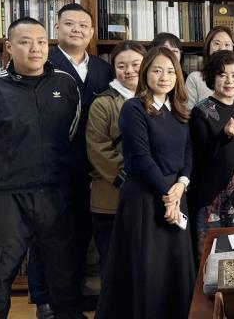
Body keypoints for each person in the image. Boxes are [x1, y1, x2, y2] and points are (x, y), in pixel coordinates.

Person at [0, 17, 82, 319]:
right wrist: (12, 164)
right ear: (9, 47)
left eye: (41, 42)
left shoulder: (65, 84)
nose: (35, 49)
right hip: (9, 196)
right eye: (25, 42)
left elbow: (71, 132)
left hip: (55, 193)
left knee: (63, 269)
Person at [96, 47, 194, 319]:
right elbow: (140, 158)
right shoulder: (134, 108)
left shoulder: (179, 110)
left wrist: (181, 185)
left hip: (176, 194)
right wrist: (168, 196)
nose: (164, 77)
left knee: (175, 266)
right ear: (145, 73)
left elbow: (188, 152)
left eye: (171, 71)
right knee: (148, 268)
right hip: (145, 198)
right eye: (157, 70)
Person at [34, 3, 113, 316]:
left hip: (93, 168)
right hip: (52, 168)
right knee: (48, 235)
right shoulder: (43, 64)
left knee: (82, 234)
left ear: (92, 32)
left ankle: (75, 295)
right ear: (56, 29)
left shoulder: (103, 69)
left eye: (83, 25)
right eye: (69, 23)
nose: (76, 29)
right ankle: (45, 299)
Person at [86, 41, 146, 272]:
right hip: (112, 200)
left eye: (135, 64)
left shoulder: (158, 100)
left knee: (144, 263)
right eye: (121, 66)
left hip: (149, 199)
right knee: (114, 266)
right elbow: (98, 149)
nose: (129, 71)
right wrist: (133, 179)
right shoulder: (103, 103)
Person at [189, 50, 234, 258]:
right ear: (212, 77)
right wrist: (225, 136)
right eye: (222, 75)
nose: (229, 80)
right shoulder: (201, 111)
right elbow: (199, 157)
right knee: (210, 256)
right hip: (210, 197)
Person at [185, 26, 234, 108]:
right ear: (208, 46)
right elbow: (188, 112)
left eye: (227, 44)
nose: (222, 49)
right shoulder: (195, 78)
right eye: (216, 43)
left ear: (233, 49)